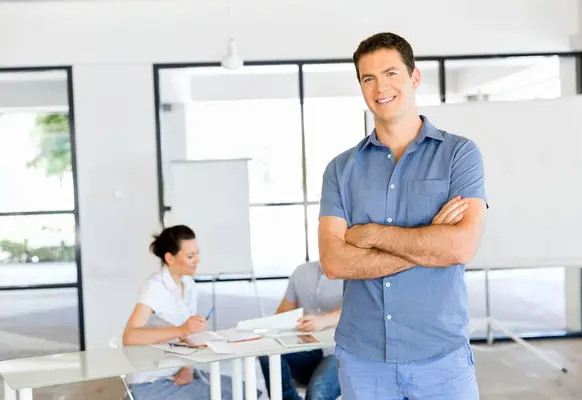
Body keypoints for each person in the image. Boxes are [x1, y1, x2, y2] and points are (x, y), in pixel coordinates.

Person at [318, 32, 487, 400]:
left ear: (414, 77)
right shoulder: (339, 170)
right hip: (363, 361)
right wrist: (428, 241)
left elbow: (460, 247)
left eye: (391, 73)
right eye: (368, 78)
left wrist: (373, 235)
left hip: (442, 360)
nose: (381, 87)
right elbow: (333, 261)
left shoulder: (460, 155)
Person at [122, 225, 248, 400]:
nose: (197, 260)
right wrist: (182, 329)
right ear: (170, 258)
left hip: (178, 371)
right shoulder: (155, 286)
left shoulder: (189, 285)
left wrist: (187, 368)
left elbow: (187, 337)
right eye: (190, 256)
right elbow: (129, 337)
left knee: (243, 390)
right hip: (152, 381)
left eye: (197, 253)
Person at [258, 260, 343, 400]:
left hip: (338, 354)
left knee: (317, 394)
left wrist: (324, 320)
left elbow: (357, 309)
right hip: (307, 351)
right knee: (267, 352)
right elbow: (283, 314)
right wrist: (266, 328)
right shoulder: (302, 271)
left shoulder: (356, 273)